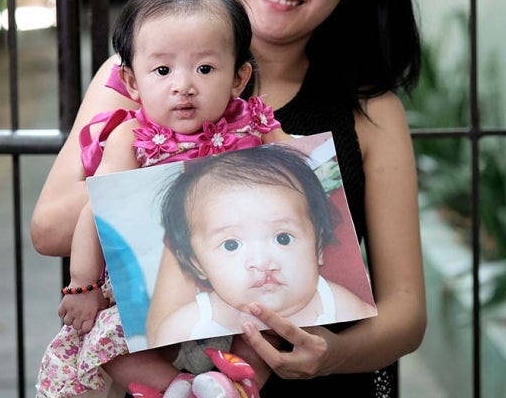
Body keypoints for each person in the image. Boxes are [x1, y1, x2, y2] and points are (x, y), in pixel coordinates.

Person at [32, 0, 426, 397]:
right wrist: (187, 162)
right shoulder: (141, 77)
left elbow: (407, 313)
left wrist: (332, 356)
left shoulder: (371, 111)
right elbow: (50, 230)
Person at [35, 0, 284, 398]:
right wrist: (83, 286)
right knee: (106, 346)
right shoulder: (130, 138)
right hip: (153, 288)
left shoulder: (255, 124)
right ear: (132, 83)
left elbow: (302, 175)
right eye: (163, 70)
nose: (182, 85)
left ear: (239, 77)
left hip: (240, 277)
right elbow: (97, 209)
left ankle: (236, 386)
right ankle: (177, 387)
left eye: (205, 69)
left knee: (275, 328)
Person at [152, 144, 377, 348]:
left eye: (283, 238)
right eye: (231, 244)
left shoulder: (339, 304)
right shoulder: (187, 324)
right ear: (197, 263)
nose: (262, 262)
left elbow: (373, 343)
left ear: (318, 246)